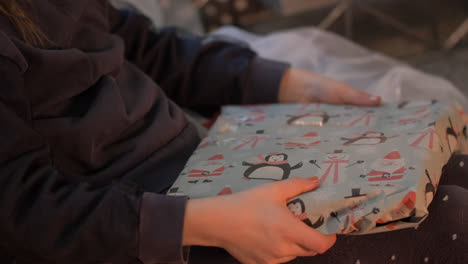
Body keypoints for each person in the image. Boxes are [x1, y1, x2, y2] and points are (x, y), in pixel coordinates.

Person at [0, 1, 466, 264]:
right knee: (454, 221)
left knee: (448, 166)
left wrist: (288, 83)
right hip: (148, 229)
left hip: (204, 162)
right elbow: (23, 213)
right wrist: (200, 224)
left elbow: (149, 48)